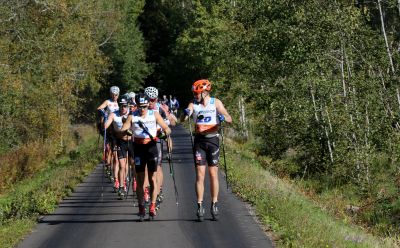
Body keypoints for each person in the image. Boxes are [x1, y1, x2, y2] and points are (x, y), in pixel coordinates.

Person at [181, 79, 232, 221]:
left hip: (213, 140)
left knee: (213, 173)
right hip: (199, 141)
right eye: (194, 93)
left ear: (204, 92)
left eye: (197, 93)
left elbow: (229, 118)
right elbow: (184, 118)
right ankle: (200, 205)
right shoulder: (193, 104)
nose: (195, 96)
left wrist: (223, 117)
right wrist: (185, 113)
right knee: (200, 174)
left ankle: (214, 203)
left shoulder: (216, 102)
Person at [121, 93, 171, 220]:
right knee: (140, 181)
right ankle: (141, 207)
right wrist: (127, 130)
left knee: (153, 179)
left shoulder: (154, 114)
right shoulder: (133, 116)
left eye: (144, 106)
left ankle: (153, 206)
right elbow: (124, 128)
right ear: (136, 105)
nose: (142, 109)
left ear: (148, 104)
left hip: (151, 147)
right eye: (140, 106)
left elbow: (166, 128)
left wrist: (164, 134)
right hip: (138, 149)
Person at [145, 87, 176, 210]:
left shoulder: (161, 108)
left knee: (157, 167)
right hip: (144, 141)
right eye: (149, 100)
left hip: (157, 140)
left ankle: (158, 189)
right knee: (146, 168)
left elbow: (173, 123)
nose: (151, 102)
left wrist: (169, 119)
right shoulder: (141, 108)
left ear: (156, 99)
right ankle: (148, 190)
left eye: (153, 100)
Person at [104, 98, 132, 199]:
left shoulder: (131, 114)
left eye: (125, 106)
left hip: (131, 142)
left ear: (128, 106)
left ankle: (134, 182)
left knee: (132, 164)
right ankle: (121, 186)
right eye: (121, 106)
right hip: (120, 142)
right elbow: (106, 124)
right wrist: (104, 124)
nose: (123, 108)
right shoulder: (113, 114)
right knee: (122, 165)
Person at [97, 86, 120, 183]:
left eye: (116, 95)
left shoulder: (119, 103)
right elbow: (99, 108)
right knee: (108, 148)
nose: (114, 96)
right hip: (107, 126)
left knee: (114, 151)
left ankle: (111, 165)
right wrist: (103, 112)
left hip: (115, 129)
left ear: (118, 95)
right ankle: (107, 160)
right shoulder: (108, 102)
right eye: (113, 94)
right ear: (110, 94)